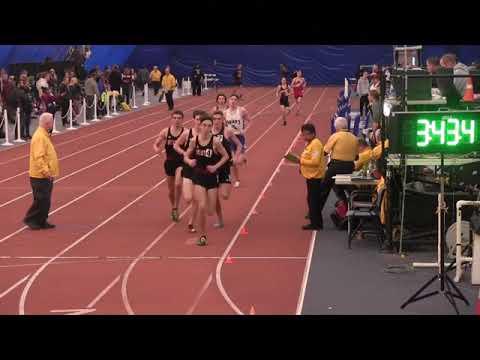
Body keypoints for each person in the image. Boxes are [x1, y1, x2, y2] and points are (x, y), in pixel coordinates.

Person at [183, 114, 229, 246]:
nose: (207, 128)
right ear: (200, 126)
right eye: (205, 125)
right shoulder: (194, 140)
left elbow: (225, 156)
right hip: (198, 177)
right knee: (202, 206)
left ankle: (214, 211)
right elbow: (186, 155)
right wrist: (189, 160)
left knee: (209, 211)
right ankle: (202, 235)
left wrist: (215, 166)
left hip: (211, 178)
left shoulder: (215, 141)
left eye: (210, 125)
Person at [23, 112, 59, 230]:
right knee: (41, 199)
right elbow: (39, 157)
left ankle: (42, 220)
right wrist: (46, 171)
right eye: (52, 122)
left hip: (45, 174)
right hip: (40, 175)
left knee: (46, 200)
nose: (53, 124)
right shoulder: (39, 137)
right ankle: (31, 219)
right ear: (47, 123)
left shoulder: (44, 135)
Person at [318, 117, 359, 216]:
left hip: (336, 166)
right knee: (340, 186)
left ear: (336, 127)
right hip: (350, 167)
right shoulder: (354, 137)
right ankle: (348, 204)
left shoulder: (335, 136)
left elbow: (325, 152)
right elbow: (357, 157)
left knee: (324, 187)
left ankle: (315, 211)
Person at [174, 110, 204, 233]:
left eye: (201, 120)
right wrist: (184, 154)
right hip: (188, 168)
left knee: (196, 199)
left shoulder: (208, 134)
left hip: (200, 169)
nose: (199, 122)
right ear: (194, 120)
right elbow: (176, 145)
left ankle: (191, 222)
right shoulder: (187, 133)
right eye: (197, 119)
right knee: (188, 198)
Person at [153, 110, 186, 222]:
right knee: (171, 191)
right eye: (175, 118)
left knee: (178, 184)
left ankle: (176, 205)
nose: (177, 120)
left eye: (179, 118)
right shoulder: (166, 132)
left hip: (181, 163)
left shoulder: (185, 132)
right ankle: (174, 207)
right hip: (169, 162)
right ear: (171, 119)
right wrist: (157, 149)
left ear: (182, 119)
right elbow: (156, 144)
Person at [211, 110, 242, 228]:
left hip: (225, 166)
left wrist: (236, 156)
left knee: (224, 196)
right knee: (214, 195)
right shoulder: (208, 132)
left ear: (223, 120)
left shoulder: (227, 131)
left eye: (219, 119)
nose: (216, 121)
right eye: (214, 119)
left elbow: (239, 145)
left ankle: (221, 186)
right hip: (213, 167)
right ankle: (220, 219)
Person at [296, 123, 327, 230]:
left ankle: (316, 224)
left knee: (313, 200)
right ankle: (315, 222)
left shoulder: (316, 144)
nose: (304, 137)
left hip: (315, 177)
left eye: (306, 134)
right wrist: (301, 166)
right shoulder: (310, 144)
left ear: (312, 134)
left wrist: (300, 161)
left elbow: (315, 162)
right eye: (302, 134)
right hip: (310, 176)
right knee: (311, 200)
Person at [224, 94, 249, 188]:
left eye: (235, 99)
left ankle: (243, 157)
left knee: (238, 161)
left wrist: (244, 130)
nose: (233, 101)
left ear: (237, 101)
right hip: (230, 138)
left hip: (239, 137)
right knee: (233, 162)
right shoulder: (225, 113)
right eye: (231, 99)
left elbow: (250, 120)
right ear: (229, 101)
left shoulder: (242, 110)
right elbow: (224, 125)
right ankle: (237, 180)